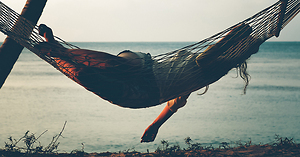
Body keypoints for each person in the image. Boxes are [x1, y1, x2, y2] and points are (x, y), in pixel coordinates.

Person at [37, 24, 191, 143]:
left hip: (145, 90)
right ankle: (61, 52)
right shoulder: (198, 68)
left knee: (84, 74)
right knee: (117, 66)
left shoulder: (196, 79)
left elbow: (174, 103)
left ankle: (54, 48)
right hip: (145, 65)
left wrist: (155, 126)